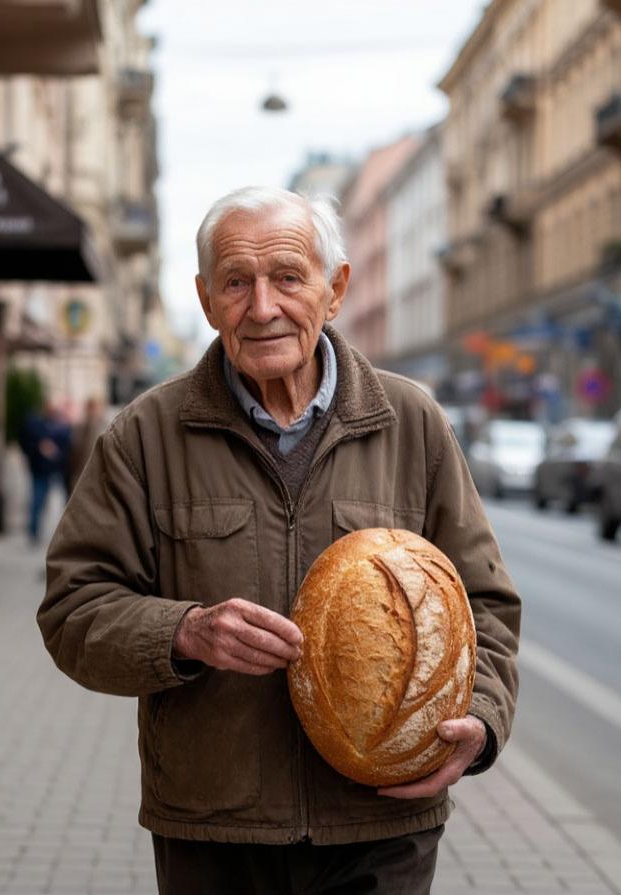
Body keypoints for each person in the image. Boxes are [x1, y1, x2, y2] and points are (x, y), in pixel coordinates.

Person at [38, 187, 521, 894]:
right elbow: (72, 610)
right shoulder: (147, 434)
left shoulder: (411, 422)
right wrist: (186, 632)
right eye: (236, 282)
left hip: (382, 825)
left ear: (335, 289)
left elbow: (485, 603)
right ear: (206, 301)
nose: (262, 306)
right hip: (216, 830)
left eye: (289, 277)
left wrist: (481, 718)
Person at [19, 399, 71, 547]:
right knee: (37, 499)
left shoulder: (59, 426)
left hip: (51, 470)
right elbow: (28, 441)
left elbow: (65, 447)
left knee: (44, 501)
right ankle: (33, 531)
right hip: (39, 469)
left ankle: (36, 531)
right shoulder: (37, 424)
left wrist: (56, 453)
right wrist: (39, 448)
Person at [65, 396, 109, 493]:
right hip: (79, 474)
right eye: (91, 407)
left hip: (98, 477)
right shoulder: (79, 427)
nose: (93, 411)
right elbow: (74, 449)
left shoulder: (106, 427)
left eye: (95, 407)